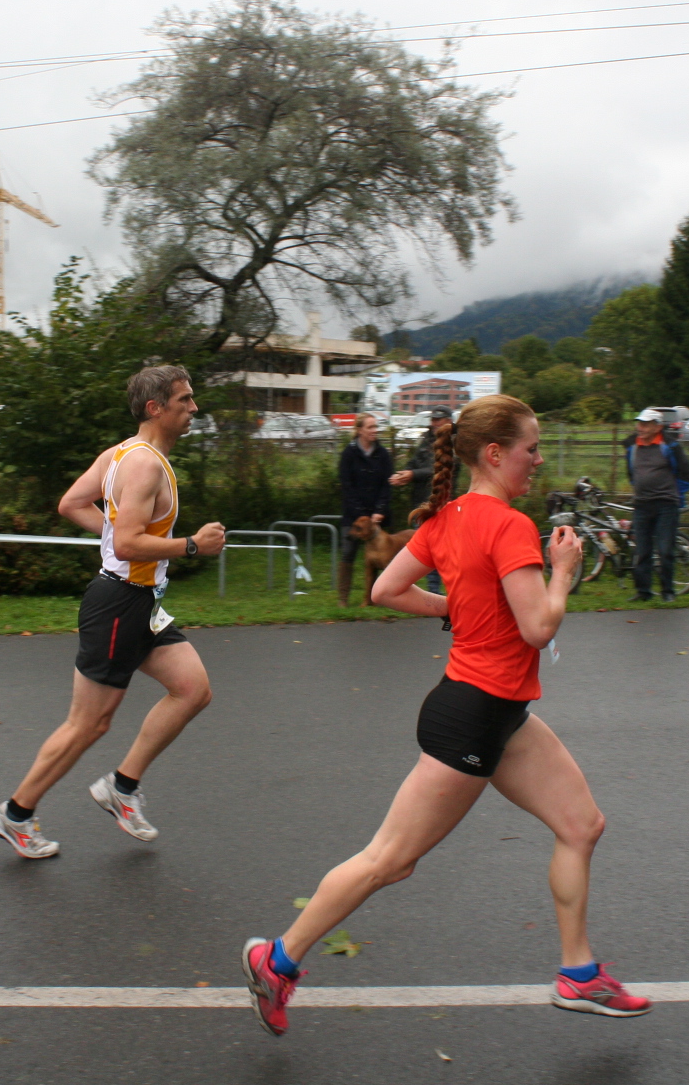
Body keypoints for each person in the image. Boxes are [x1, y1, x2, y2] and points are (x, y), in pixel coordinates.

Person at [240, 395, 650, 1038]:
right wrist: (564, 572)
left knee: (581, 825)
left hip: (499, 712)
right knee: (389, 860)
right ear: (495, 454)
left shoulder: (446, 517)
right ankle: (277, 960)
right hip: (472, 719)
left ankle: (579, 974)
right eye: (532, 449)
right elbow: (539, 627)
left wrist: (452, 608)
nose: (539, 460)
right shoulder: (510, 526)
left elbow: (385, 590)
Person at [0, 365, 226, 859]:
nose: (194, 408)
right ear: (155, 408)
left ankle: (121, 786)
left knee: (193, 690)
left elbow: (72, 503)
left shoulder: (120, 454)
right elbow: (129, 543)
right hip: (119, 605)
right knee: (88, 724)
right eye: (184, 399)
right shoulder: (143, 465)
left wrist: (116, 536)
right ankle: (15, 813)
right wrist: (192, 546)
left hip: (142, 602)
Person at [623, 409, 689, 603]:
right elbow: (632, 473)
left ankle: (667, 591)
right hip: (642, 504)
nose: (641, 428)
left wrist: (677, 496)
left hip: (666, 504)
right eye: (639, 423)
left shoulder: (668, 446)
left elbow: (684, 471)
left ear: (657, 427)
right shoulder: (632, 447)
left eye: (646, 424)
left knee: (665, 550)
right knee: (642, 551)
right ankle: (643, 591)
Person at [389, 405, 456, 592]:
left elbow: (438, 469)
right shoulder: (427, 438)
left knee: (441, 552)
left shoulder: (454, 442)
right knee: (428, 551)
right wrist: (403, 474)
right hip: (421, 505)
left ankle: (448, 591)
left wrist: (413, 474)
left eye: (438, 420)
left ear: (449, 421)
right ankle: (435, 592)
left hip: (442, 505)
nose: (434, 423)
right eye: (432, 419)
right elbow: (415, 462)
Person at [336, 412, 393, 607]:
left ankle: (379, 597)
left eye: (375, 426)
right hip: (354, 516)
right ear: (359, 430)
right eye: (370, 427)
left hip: (378, 516)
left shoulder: (383, 454)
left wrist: (380, 510)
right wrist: (361, 515)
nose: (374, 430)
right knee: (348, 553)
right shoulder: (349, 453)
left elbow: (387, 485)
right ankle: (343, 599)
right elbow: (347, 487)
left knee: (383, 558)